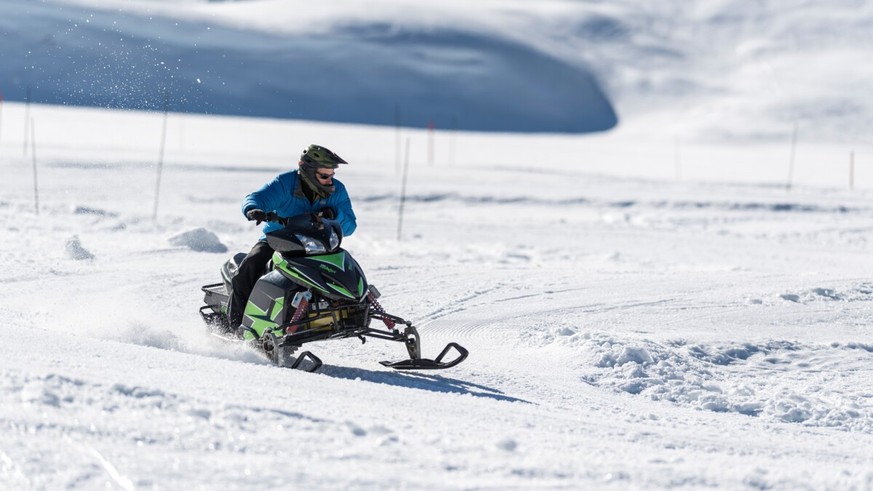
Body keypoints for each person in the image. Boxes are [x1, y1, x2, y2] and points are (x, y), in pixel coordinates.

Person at [226, 144, 357, 335]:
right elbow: (255, 198)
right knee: (249, 267)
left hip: (318, 243)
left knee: (345, 268)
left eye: (332, 175)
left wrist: (334, 214)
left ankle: (353, 308)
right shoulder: (285, 183)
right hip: (279, 239)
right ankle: (233, 329)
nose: (330, 181)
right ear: (309, 172)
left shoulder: (337, 191)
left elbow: (350, 226)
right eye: (324, 175)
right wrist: (253, 209)